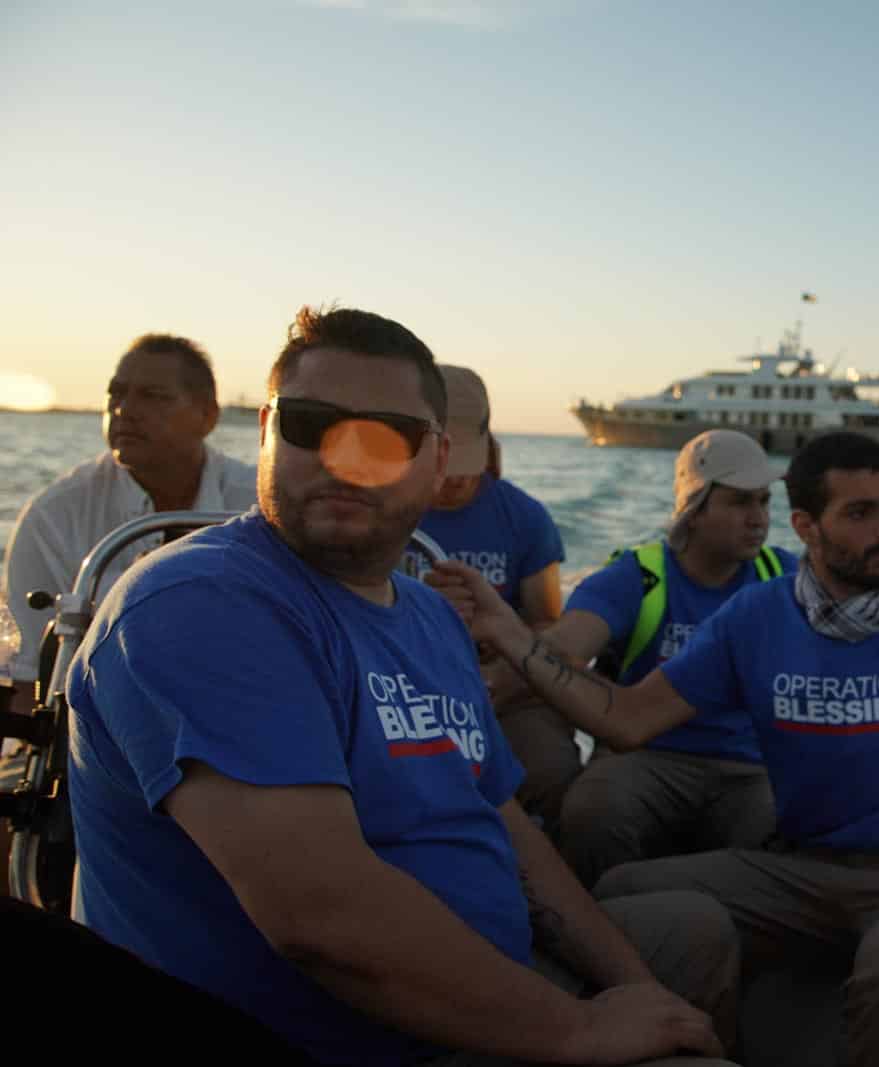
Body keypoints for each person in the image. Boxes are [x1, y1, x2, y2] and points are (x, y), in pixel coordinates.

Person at [65, 306, 736, 1066]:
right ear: (264, 431)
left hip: (491, 986)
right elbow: (322, 917)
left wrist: (635, 991)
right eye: (312, 423)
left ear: (439, 456)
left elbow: (505, 826)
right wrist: (579, 1029)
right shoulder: (202, 604)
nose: (344, 460)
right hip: (338, 1033)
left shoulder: (427, 616)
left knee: (697, 937)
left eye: (387, 437)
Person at [429, 431, 879, 1067]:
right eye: (861, 513)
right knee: (623, 892)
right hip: (805, 870)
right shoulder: (760, 615)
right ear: (807, 526)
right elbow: (628, 718)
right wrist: (507, 631)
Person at [541, 429, 795, 886]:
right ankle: (603, 929)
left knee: (788, 819)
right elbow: (562, 653)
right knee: (594, 807)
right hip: (643, 759)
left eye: (764, 502)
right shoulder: (637, 577)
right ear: (694, 509)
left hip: (750, 771)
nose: (758, 518)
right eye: (739, 502)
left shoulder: (785, 577)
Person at [3, 334, 255, 713]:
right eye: (116, 394)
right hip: (97, 726)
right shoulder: (54, 517)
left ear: (208, 415)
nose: (125, 410)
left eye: (153, 396)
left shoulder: (256, 502)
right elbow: (28, 678)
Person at [405, 365, 571, 824]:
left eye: (467, 466)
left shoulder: (525, 518)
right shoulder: (384, 509)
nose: (456, 479)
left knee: (552, 768)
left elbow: (549, 625)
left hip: (505, 686)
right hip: (403, 684)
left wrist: (502, 676)